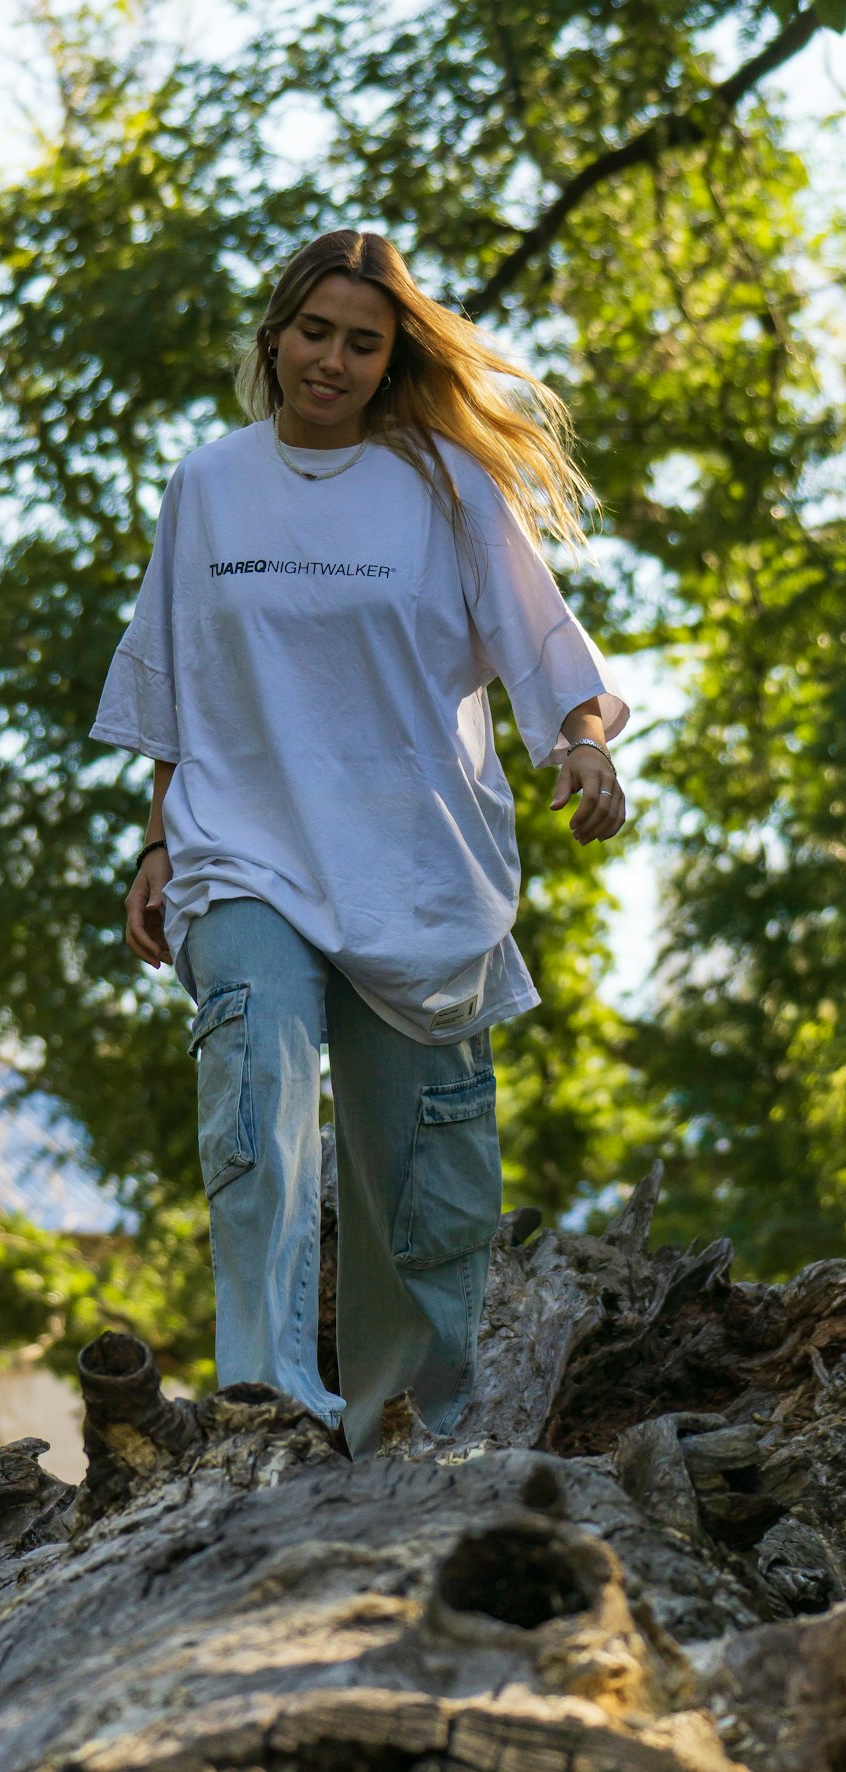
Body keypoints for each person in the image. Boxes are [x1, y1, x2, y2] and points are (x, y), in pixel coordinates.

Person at [89, 228, 629, 1457]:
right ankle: (269, 1408)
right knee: (258, 1113)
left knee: (422, 1193)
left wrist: (582, 746)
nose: (330, 360)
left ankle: (408, 1435)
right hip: (245, 856)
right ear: (274, 335)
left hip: (414, 872)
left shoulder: (446, 485)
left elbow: (551, 652)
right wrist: (160, 843)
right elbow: (183, 687)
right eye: (314, 332)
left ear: (392, 362)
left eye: (362, 343)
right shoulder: (208, 485)